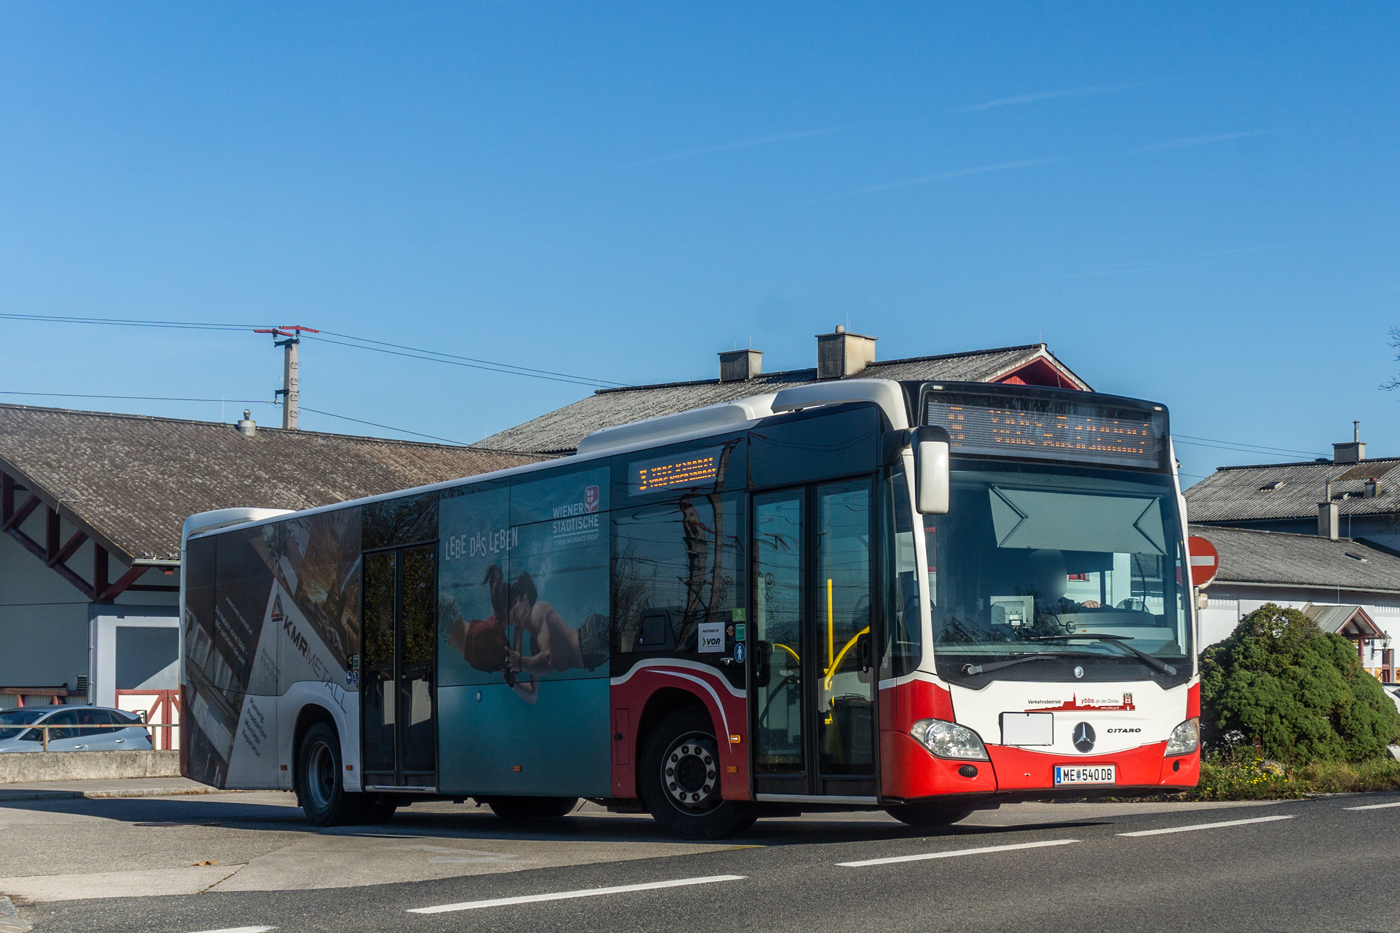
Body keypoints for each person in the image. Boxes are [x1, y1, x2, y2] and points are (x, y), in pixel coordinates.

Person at [506, 571, 609, 679]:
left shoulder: (537, 610)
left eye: (515, 602)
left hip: (592, 636)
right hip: (589, 656)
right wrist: (518, 632)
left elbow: (547, 660)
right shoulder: (535, 640)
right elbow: (523, 667)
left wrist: (520, 662)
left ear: (525, 599)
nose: (513, 608)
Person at [1028, 549, 1101, 618]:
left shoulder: (1062, 601)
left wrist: (1085, 606)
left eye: (1061, 573)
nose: (1057, 579)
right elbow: (1050, 608)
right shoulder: (1032, 601)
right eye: (1050, 574)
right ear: (1037, 578)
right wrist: (1078, 607)